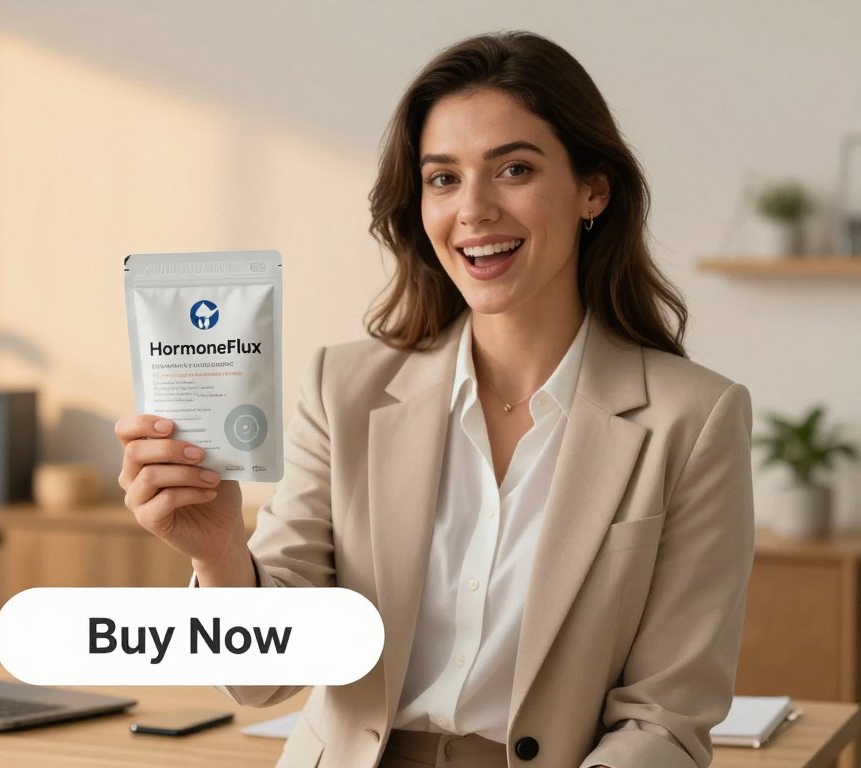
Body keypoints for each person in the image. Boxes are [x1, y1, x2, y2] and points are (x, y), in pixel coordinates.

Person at [116, 30, 753, 768]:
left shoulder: (694, 420)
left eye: (513, 168)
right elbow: (263, 679)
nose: (474, 210)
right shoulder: (343, 390)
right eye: (443, 179)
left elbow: (666, 720)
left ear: (593, 189)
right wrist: (222, 553)